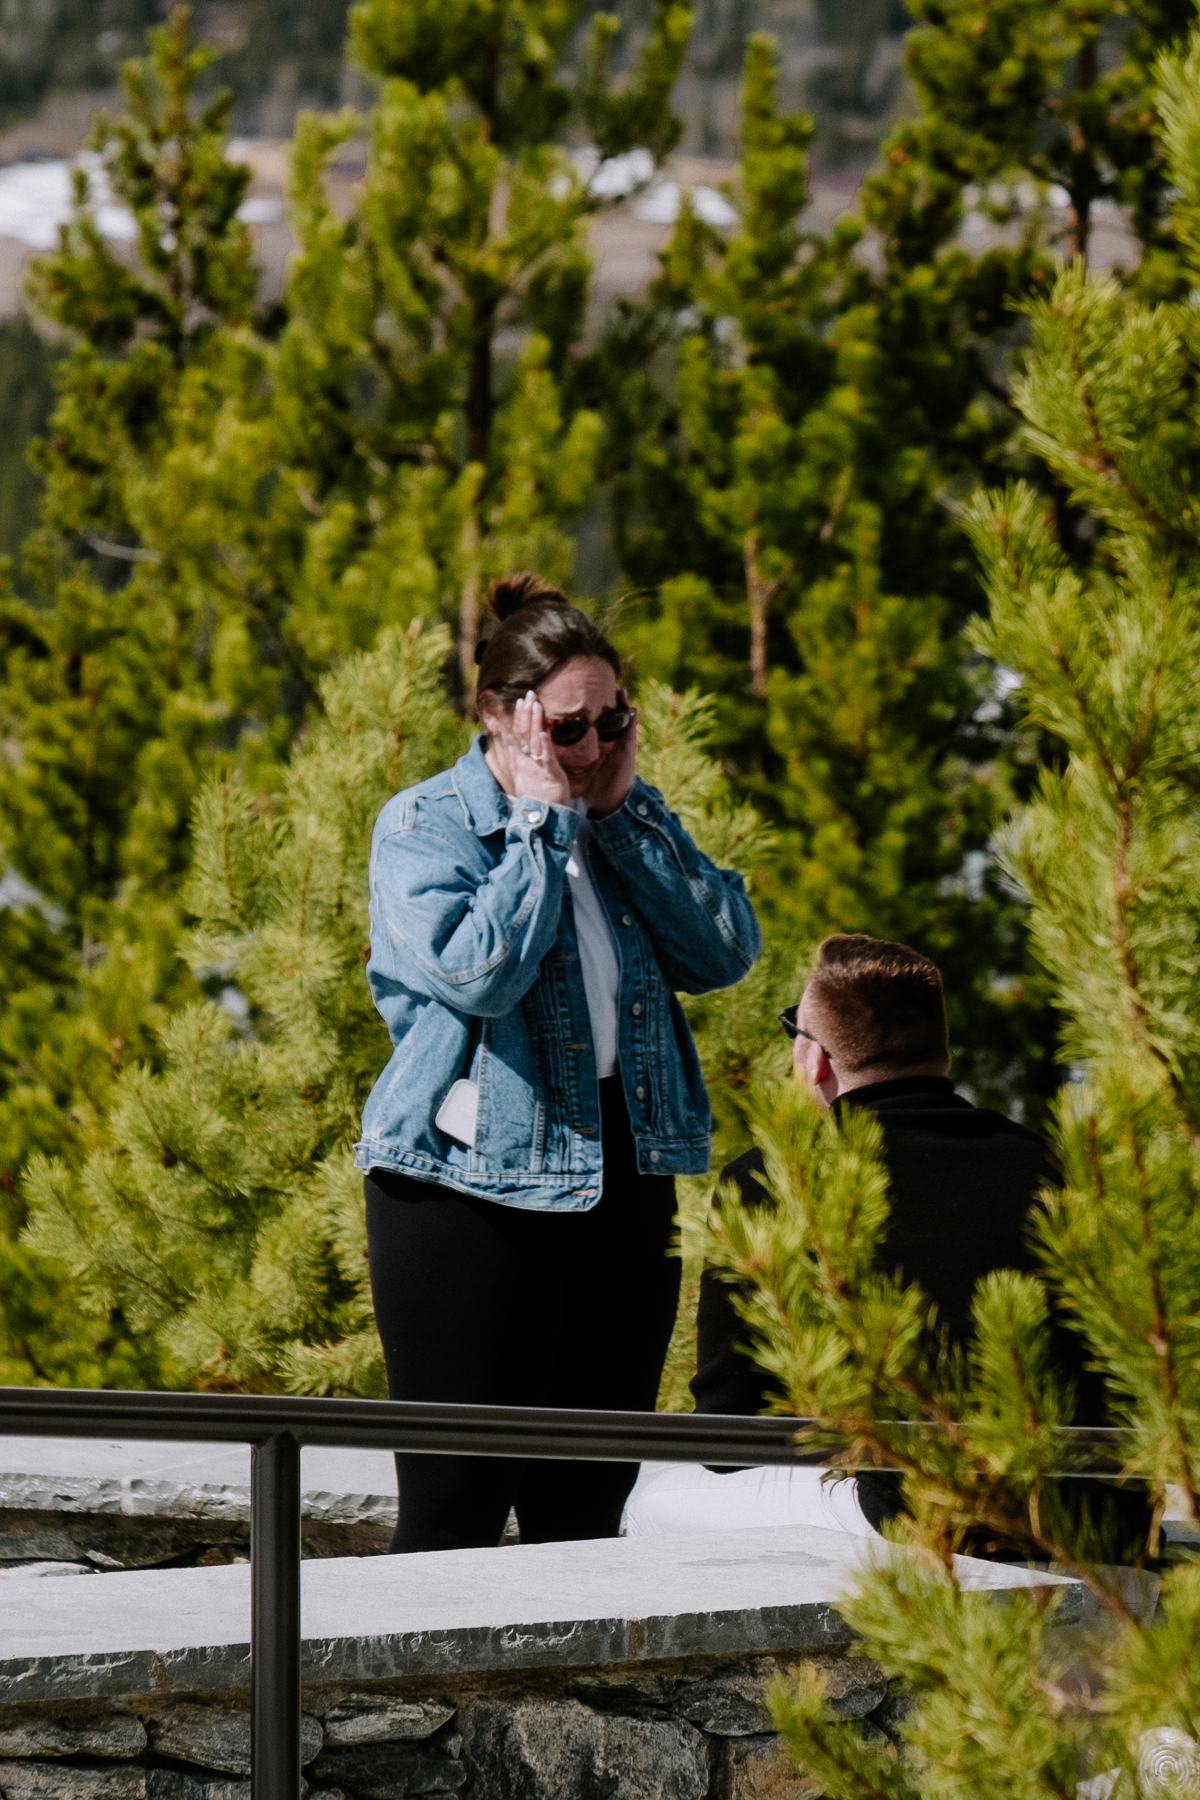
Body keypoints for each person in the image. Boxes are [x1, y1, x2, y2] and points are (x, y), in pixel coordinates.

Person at [355, 571, 761, 1554]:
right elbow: (479, 972)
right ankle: (426, 1706)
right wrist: (540, 828)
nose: (595, 749)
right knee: (452, 1511)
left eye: (616, 723)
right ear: (502, 715)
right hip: (464, 1196)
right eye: (571, 729)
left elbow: (724, 954)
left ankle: (551, 1719)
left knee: (582, 1516)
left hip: (624, 1181)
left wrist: (626, 818)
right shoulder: (425, 828)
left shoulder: (622, 814)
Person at [624, 932, 1057, 1541]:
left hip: (916, 1515)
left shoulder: (774, 1179)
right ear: (944, 1053)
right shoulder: (1051, 1161)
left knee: (646, 1495)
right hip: (1086, 1512)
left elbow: (728, 1435)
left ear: (816, 1058)